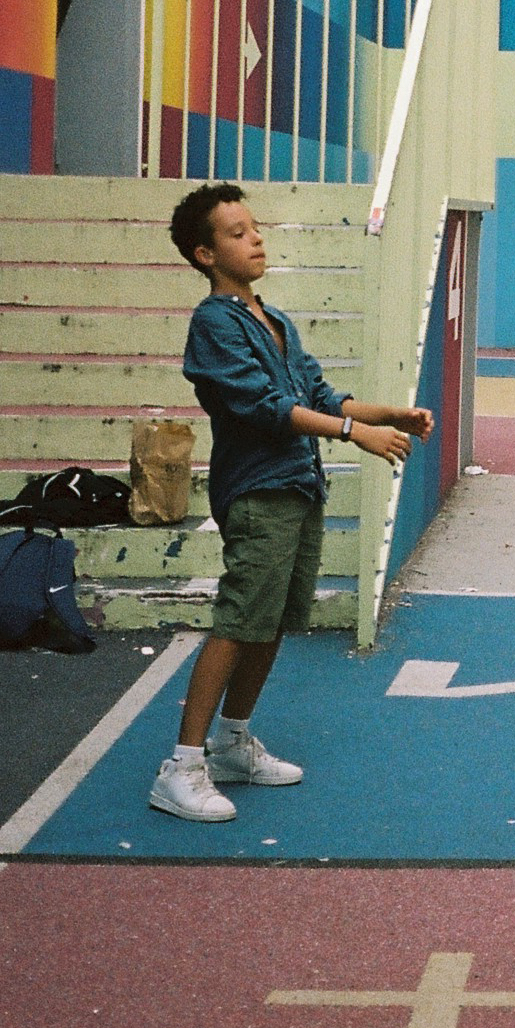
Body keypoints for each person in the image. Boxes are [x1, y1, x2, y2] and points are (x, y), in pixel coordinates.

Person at [150, 184, 431, 824]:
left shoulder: (275, 321)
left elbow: (323, 395)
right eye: (236, 232)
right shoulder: (214, 323)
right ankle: (182, 764)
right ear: (204, 254)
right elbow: (267, 409)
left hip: (299, 487)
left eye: (254, 228)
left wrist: (393, 414)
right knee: (239, 618)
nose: (255, 239)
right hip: (258, 491)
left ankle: (231, 742)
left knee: (273, 620)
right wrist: (356, 435)